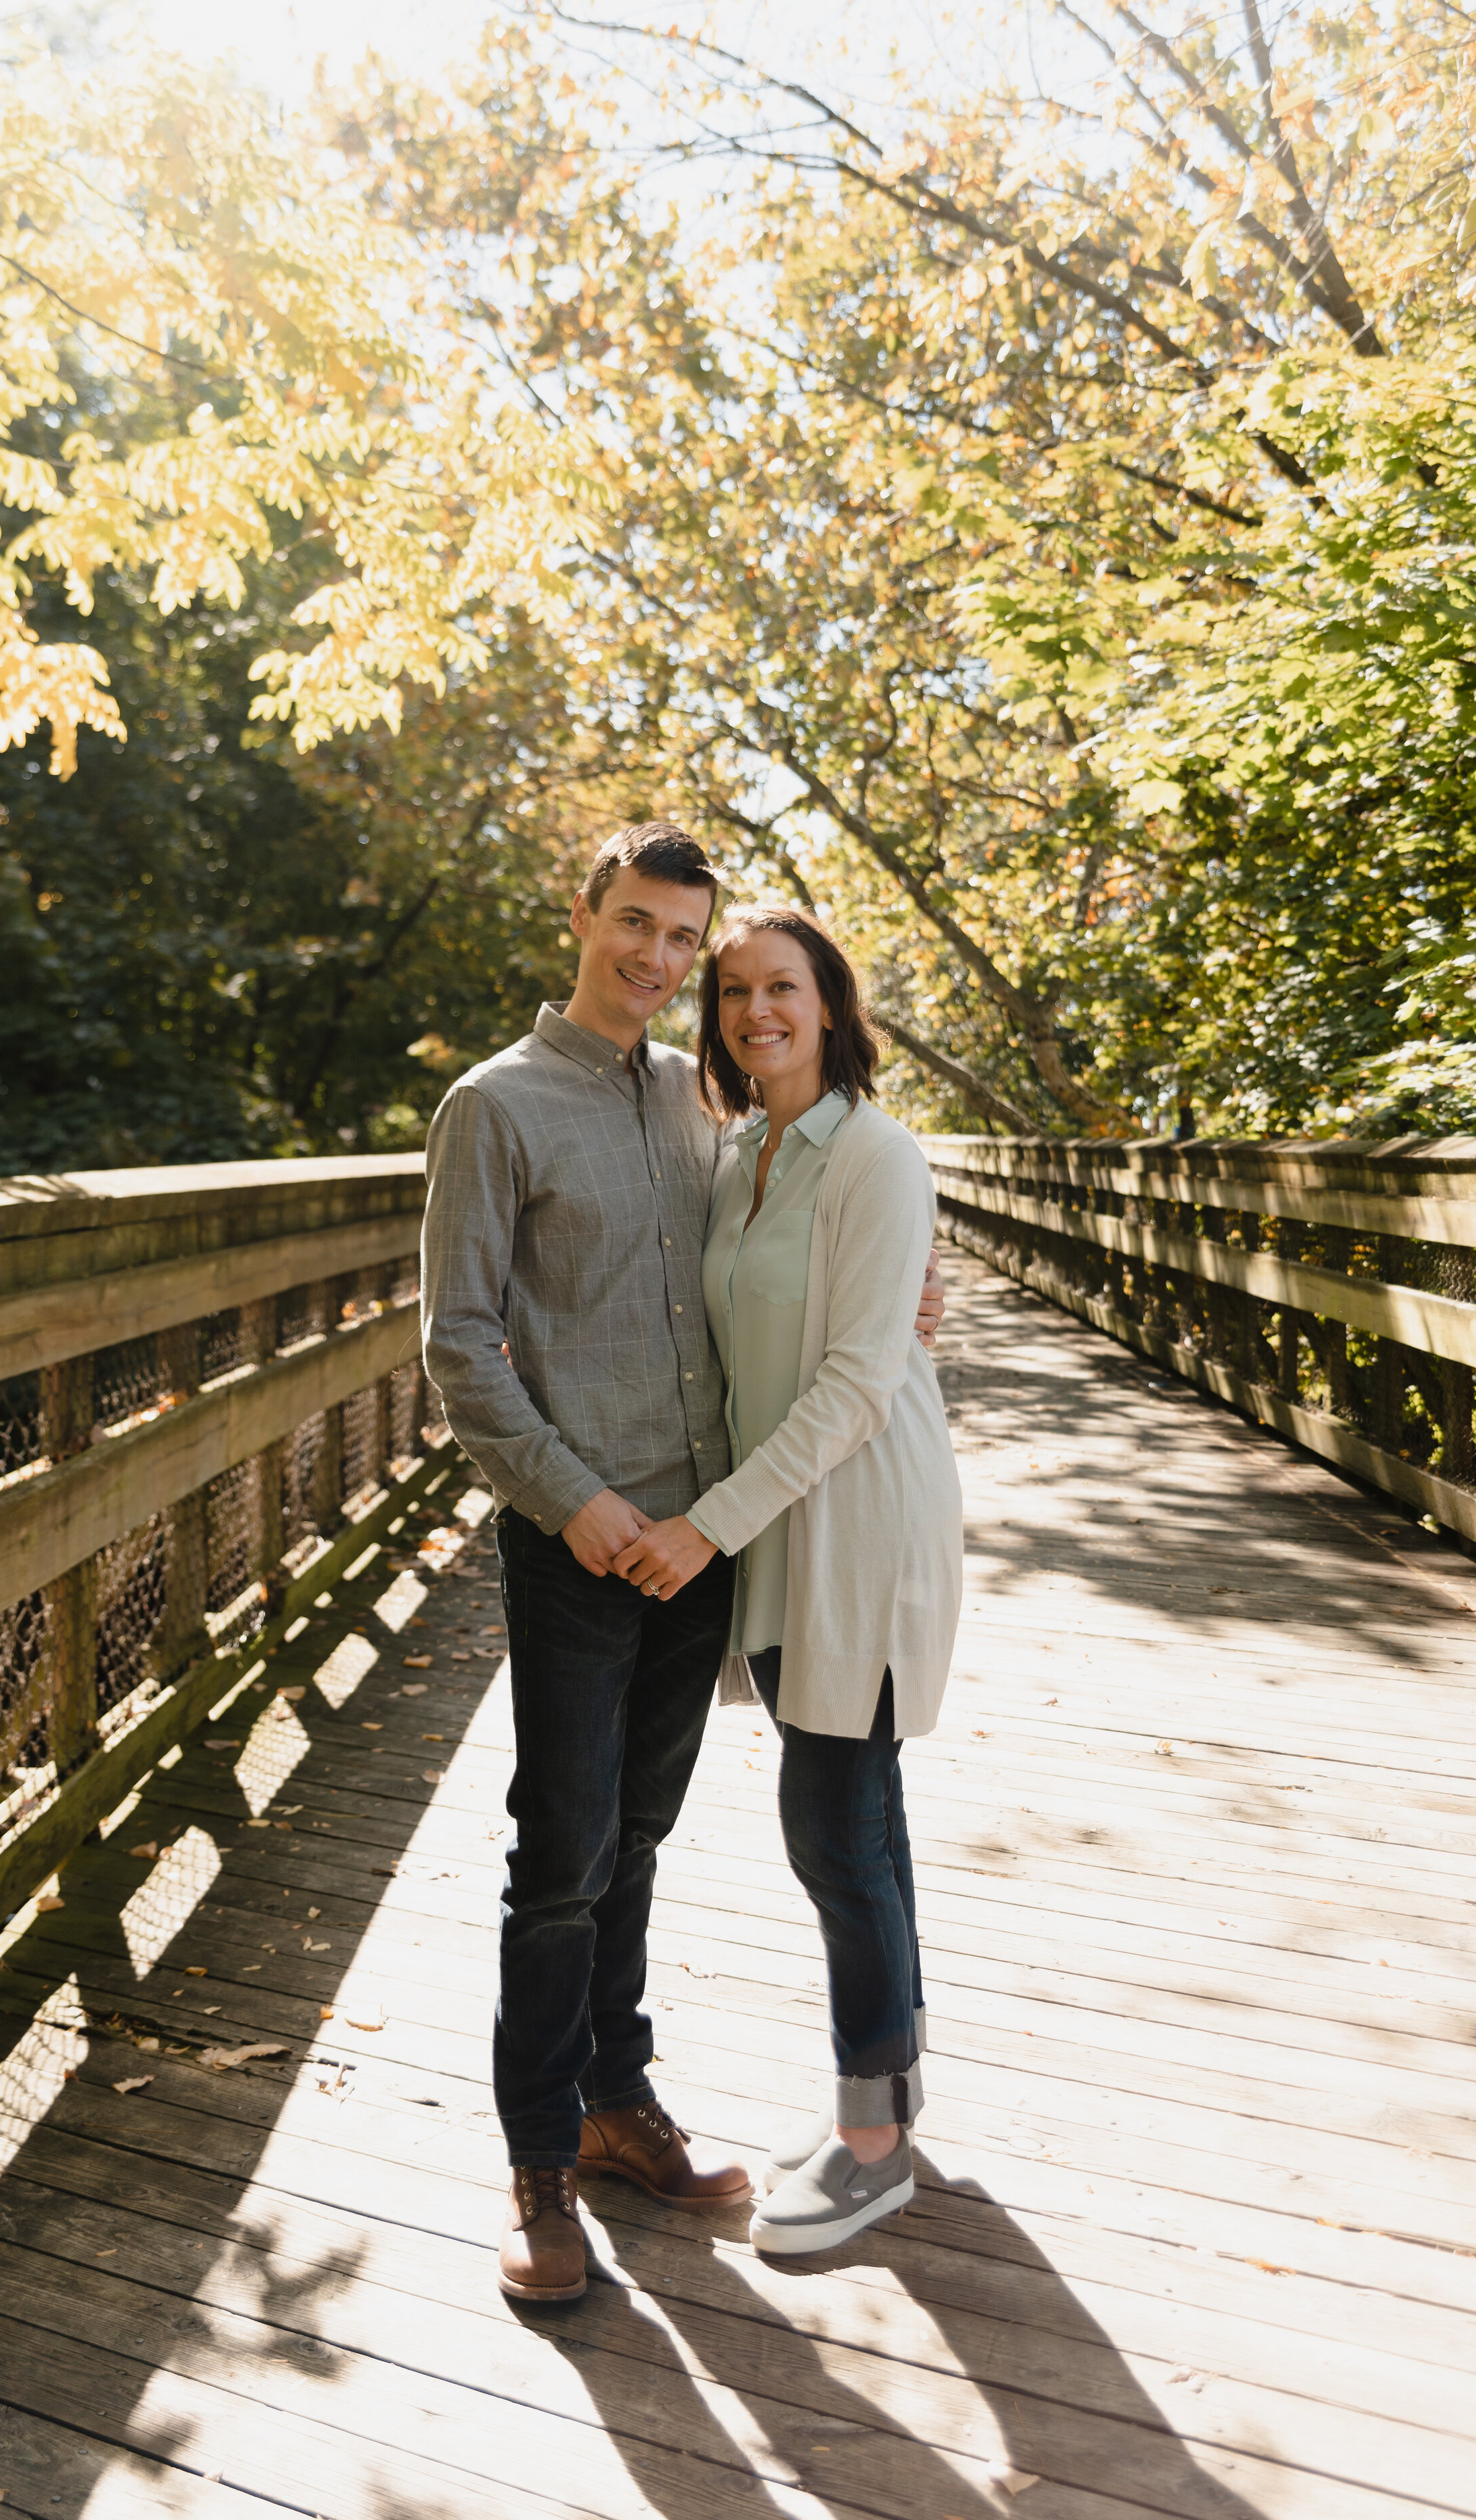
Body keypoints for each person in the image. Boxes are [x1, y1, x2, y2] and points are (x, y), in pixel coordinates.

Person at [420, 825, 945, 2303]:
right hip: (586, 1539)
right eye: (636, 928)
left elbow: (812, 1248)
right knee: (561, 1858)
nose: (658, 961)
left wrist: (909, 1290)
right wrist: (570, 1501)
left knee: (636, 1841)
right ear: (582, 916)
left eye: (682, 945)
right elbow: (456, 1342)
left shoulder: (698, 1107)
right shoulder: (493, 1106)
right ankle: (534, 2167)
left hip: (706, 1540)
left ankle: (614, 2103)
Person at [613, 903, 963, 2256]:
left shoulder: (874, 1157)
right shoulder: (742, 1151)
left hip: (856, 1514)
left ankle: (869, 2145)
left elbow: (860, 1375)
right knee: (857, 1804)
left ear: (831, 1005)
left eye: (783, 987)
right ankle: (897, 2085)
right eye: (734, 991)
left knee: (829, 1814)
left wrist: (703, 1525)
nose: (756, 1009)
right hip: (771, 1517)